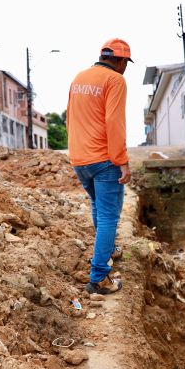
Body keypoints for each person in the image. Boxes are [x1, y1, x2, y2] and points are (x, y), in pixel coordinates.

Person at [66, 39, 133, 295]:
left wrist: (77, 154)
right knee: (108, 216)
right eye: (125, 63)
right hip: (104, 160)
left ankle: (110, 250)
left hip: (80, 159)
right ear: (120, 61)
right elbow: (114, 122)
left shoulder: (79, 78)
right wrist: (122, 160)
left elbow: (71, 116)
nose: (125, 68)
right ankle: (99, 278)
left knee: (98, 207)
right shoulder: (115, 80)